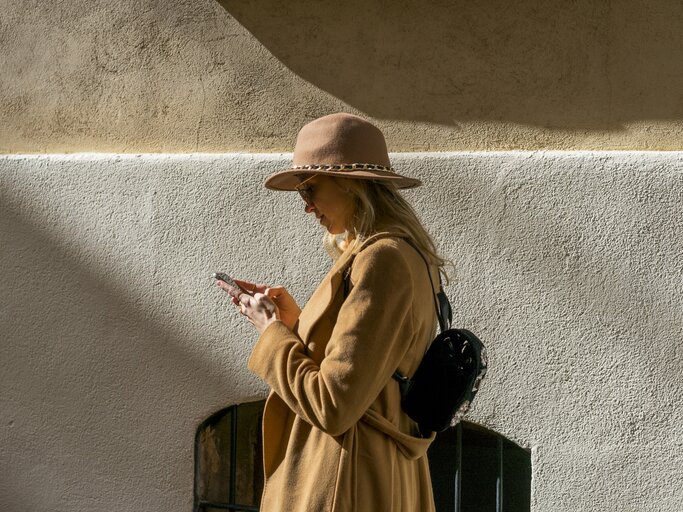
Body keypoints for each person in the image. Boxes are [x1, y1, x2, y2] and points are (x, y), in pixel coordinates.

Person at [215, 113, 452, 512]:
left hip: (348, 478)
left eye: (309, 190)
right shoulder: (399, 255)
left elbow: (333, 403)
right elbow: (364, 366)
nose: (306, 207)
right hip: (375, 470)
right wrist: (296, 323)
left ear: (350, 183)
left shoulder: (382, 259)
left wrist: (271, 330)